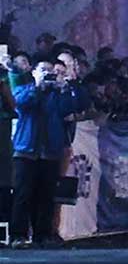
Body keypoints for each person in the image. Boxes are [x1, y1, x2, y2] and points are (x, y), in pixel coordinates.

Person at [9, 58, 89, 248]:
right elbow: (21, 103)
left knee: (46, 196)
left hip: (50, 152)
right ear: (34, 72)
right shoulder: (24, 89)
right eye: (43, 70)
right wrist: (37, 86)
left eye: (50, 71)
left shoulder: (58, 94)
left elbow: (75, 106)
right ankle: (18, 235)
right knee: (22, 195)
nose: (48, 74)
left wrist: (69, 85)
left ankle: (42, 235)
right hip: (26, 151)